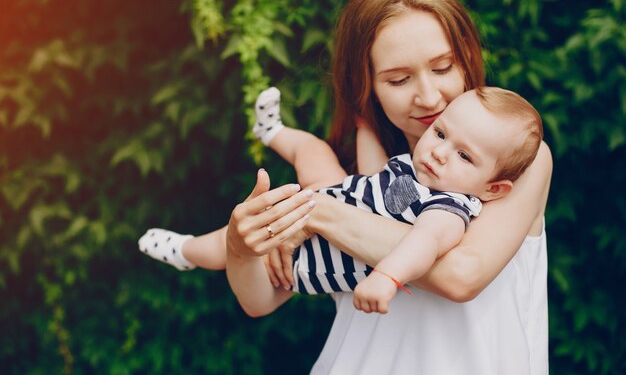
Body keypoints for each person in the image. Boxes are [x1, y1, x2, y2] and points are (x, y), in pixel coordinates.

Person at [223, 0, 552, 375]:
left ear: (466, 58)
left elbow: (461, 275)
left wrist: (316, 210)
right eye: (399, 79)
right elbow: (260, 300)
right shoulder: (358, 180)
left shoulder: (518, 163)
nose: (429, 96)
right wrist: (240, 248)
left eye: (443, 67)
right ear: (367, 84)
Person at [140, 85, 542, 316]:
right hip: (333, 200)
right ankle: (271, 130)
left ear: (493, 189)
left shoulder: (450, 209)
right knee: (312, 151)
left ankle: (188, 250)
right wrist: (365, 124)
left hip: (312, 255)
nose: (439, 151)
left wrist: (386, 277)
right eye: (440, 134)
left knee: (239, 236)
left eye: (464, 156)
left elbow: (424, 243)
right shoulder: (421, 169)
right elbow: (374, 175)